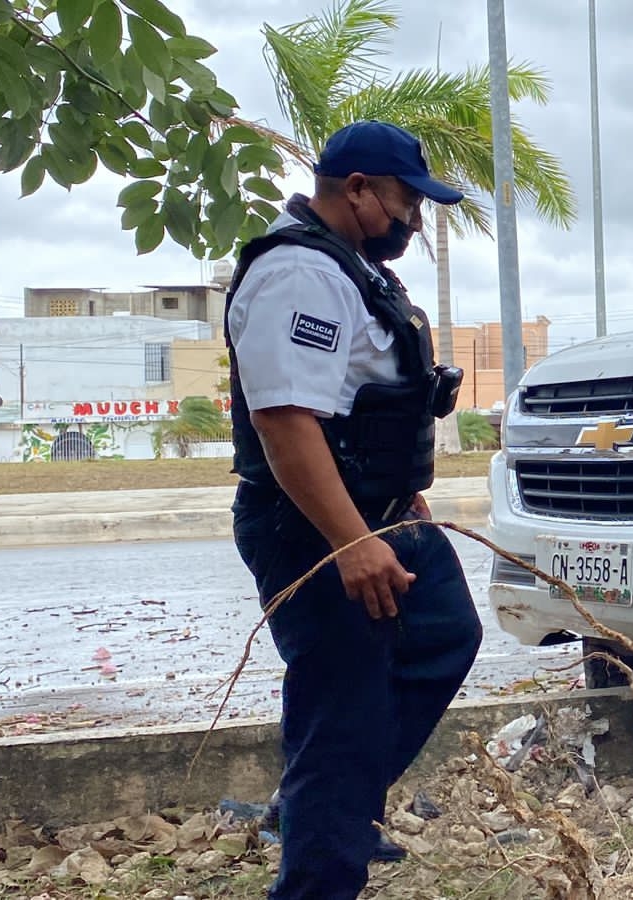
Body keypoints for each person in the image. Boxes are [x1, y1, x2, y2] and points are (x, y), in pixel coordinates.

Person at [225, 120, 482, 899]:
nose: (412, 220)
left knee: (443, 635)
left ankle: (324, 807)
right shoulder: (300, 274)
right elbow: (285, 421)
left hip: (385, 514)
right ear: (358, 188)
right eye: (405, 201)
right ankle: (321, 849)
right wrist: (348, 542)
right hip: (318, 529)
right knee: (342, 713)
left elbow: (362, 407)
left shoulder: (352, 268)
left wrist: (402, 498)